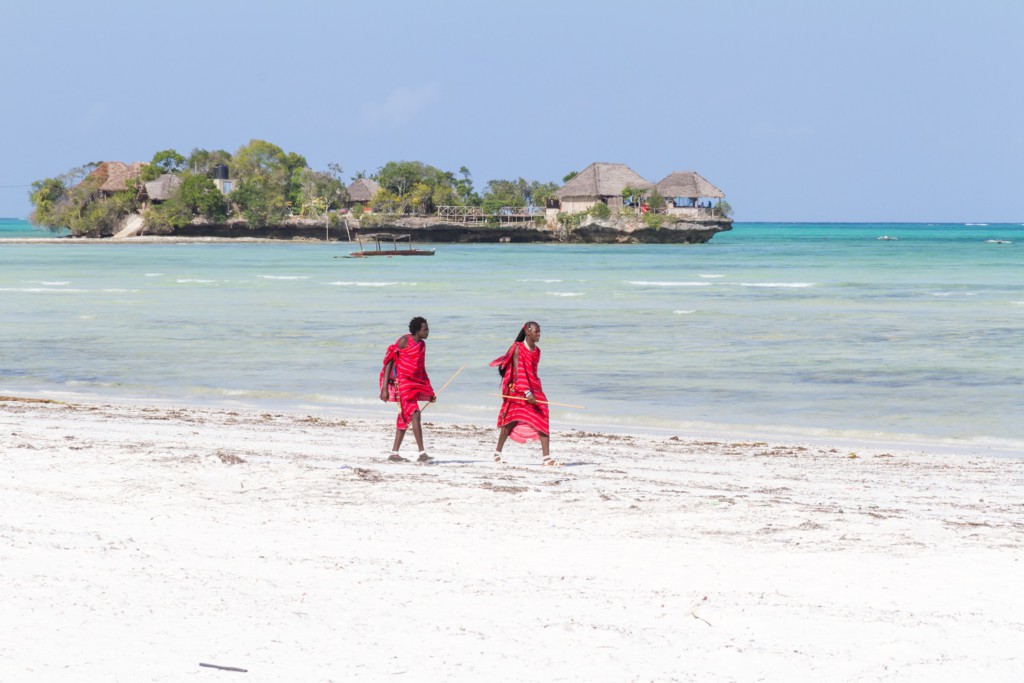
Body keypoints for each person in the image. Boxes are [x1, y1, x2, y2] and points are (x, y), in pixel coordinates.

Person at [489, 321, 562, 466]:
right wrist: (527, 392)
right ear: (528, 332)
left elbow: (533, 373)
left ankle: (546, 457)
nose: (539, 334)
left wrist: (535, 390)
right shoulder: (518, 348)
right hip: (518, 388)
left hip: (534, 387)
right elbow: (519, 371)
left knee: (543, 413)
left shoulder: (537, 351)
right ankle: (497, 453)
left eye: (539, 332)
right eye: (536, 332)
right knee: (511, 420)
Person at [379, 316, 436, 463]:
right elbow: (390, 362)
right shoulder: (404, 341)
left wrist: (429, 391)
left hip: (414, 384)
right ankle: (422, 453)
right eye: (425, 329)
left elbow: (420, 369)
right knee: (415, 414)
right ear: (417, 331)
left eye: (427, 329)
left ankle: (394, 453)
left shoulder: (422, 345)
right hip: (402, 384)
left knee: (404, 418)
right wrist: (384, 388)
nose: (428, 332)